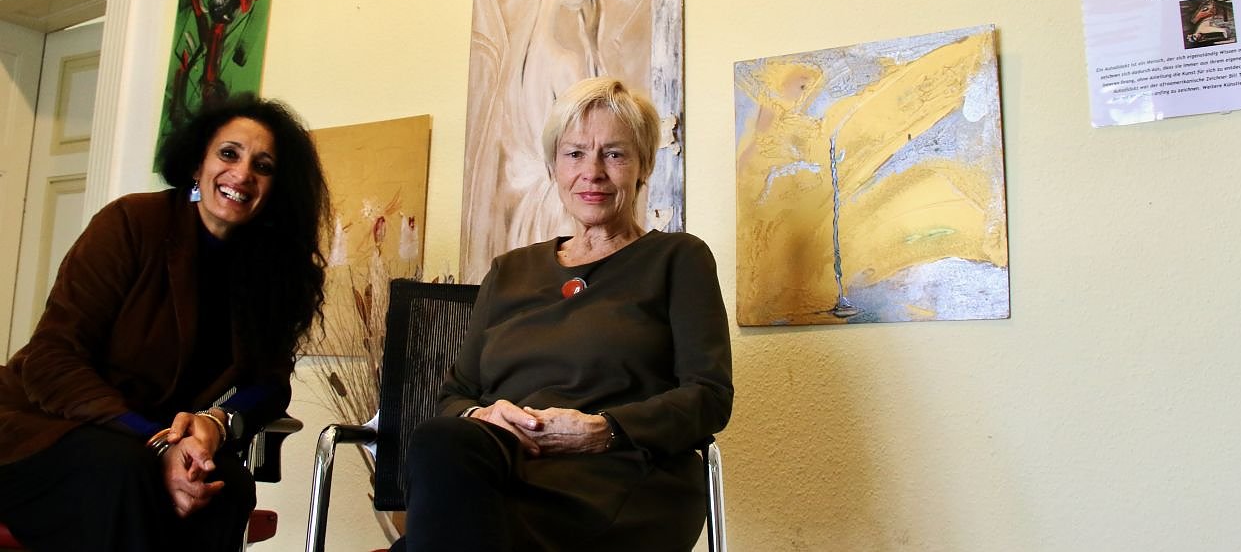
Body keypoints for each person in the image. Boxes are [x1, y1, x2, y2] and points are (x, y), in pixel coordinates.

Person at [398, 77, 733, 552]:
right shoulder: (509, 271)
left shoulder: (678, 258)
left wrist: (604, 429)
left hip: (617, 475)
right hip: (503, 470)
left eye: (614, 154)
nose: (592, 172)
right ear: (554, 166)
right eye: (574, 154)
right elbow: (455, 396)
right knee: (442, 440)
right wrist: (482, 414)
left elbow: (709, 396)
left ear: (644, 165)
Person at [0, 94, 330, 551]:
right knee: (124, 470)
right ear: (197, 163)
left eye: (263, 166)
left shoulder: (275, 268)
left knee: (228, 486)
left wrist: (217, 422)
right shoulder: (132, 222)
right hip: (41, 430)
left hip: (153, 441)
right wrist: (158, 444)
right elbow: (51, 360)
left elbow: (269, 384)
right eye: (228, 154)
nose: (242, 174)